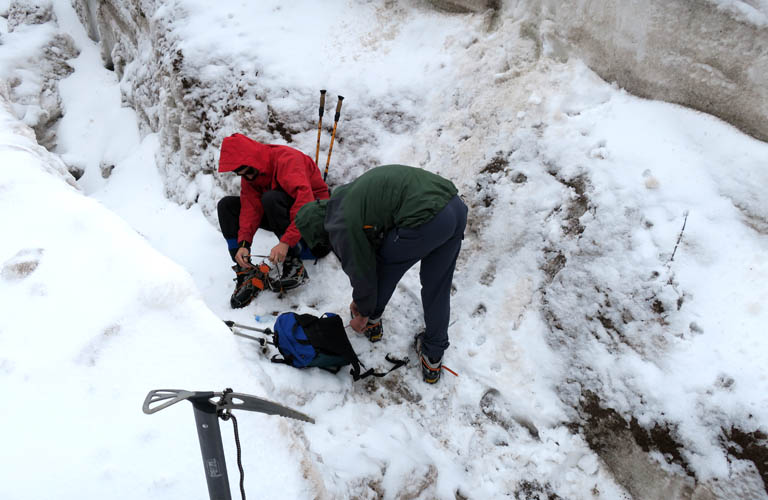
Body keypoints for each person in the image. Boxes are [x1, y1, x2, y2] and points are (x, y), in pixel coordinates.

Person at [295, 164, 468, 383]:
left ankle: (372, 322)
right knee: (438, 287)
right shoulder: (344, 199)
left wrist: (364, 310)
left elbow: (363, 272)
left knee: (384, 266)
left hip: (426, 215)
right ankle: (433, 355)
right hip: (453, 205)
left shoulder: (340, 225)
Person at [217, 133, 331, 308]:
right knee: (226, 206)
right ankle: (245, 270)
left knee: (270, 198)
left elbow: (304, 204)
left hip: (316, 232)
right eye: (241, 174)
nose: (246, 178)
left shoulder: (288, 160)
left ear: (252, 161)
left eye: (247, 172)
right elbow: (250, 209)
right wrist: (244, 244)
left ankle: (294, 263)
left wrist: (286, 242)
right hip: (292, 226)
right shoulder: (252, 173)